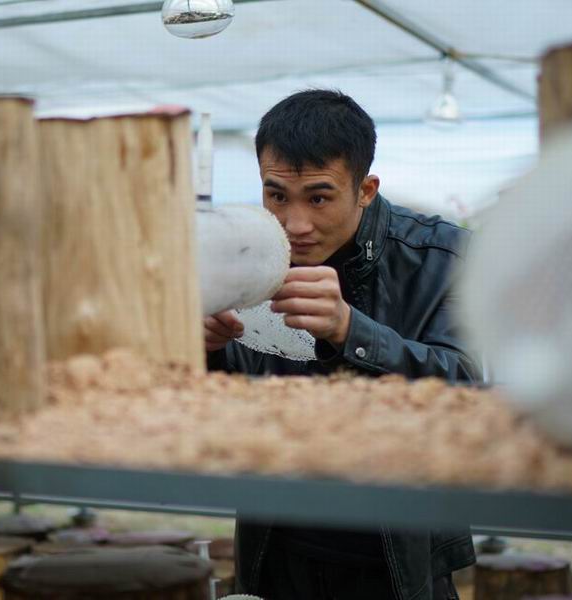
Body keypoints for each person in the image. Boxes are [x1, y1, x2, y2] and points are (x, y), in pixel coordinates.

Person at [205, 89, 481, 600]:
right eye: (276, 195)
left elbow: (465, 390)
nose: (295, 225)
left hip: (397, 556)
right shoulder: (248, 251)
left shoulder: (443, 256)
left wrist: (350, 330)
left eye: (319, 196)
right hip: (276, 543)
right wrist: (208, 347)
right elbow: (226, 400)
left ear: (366, 189)